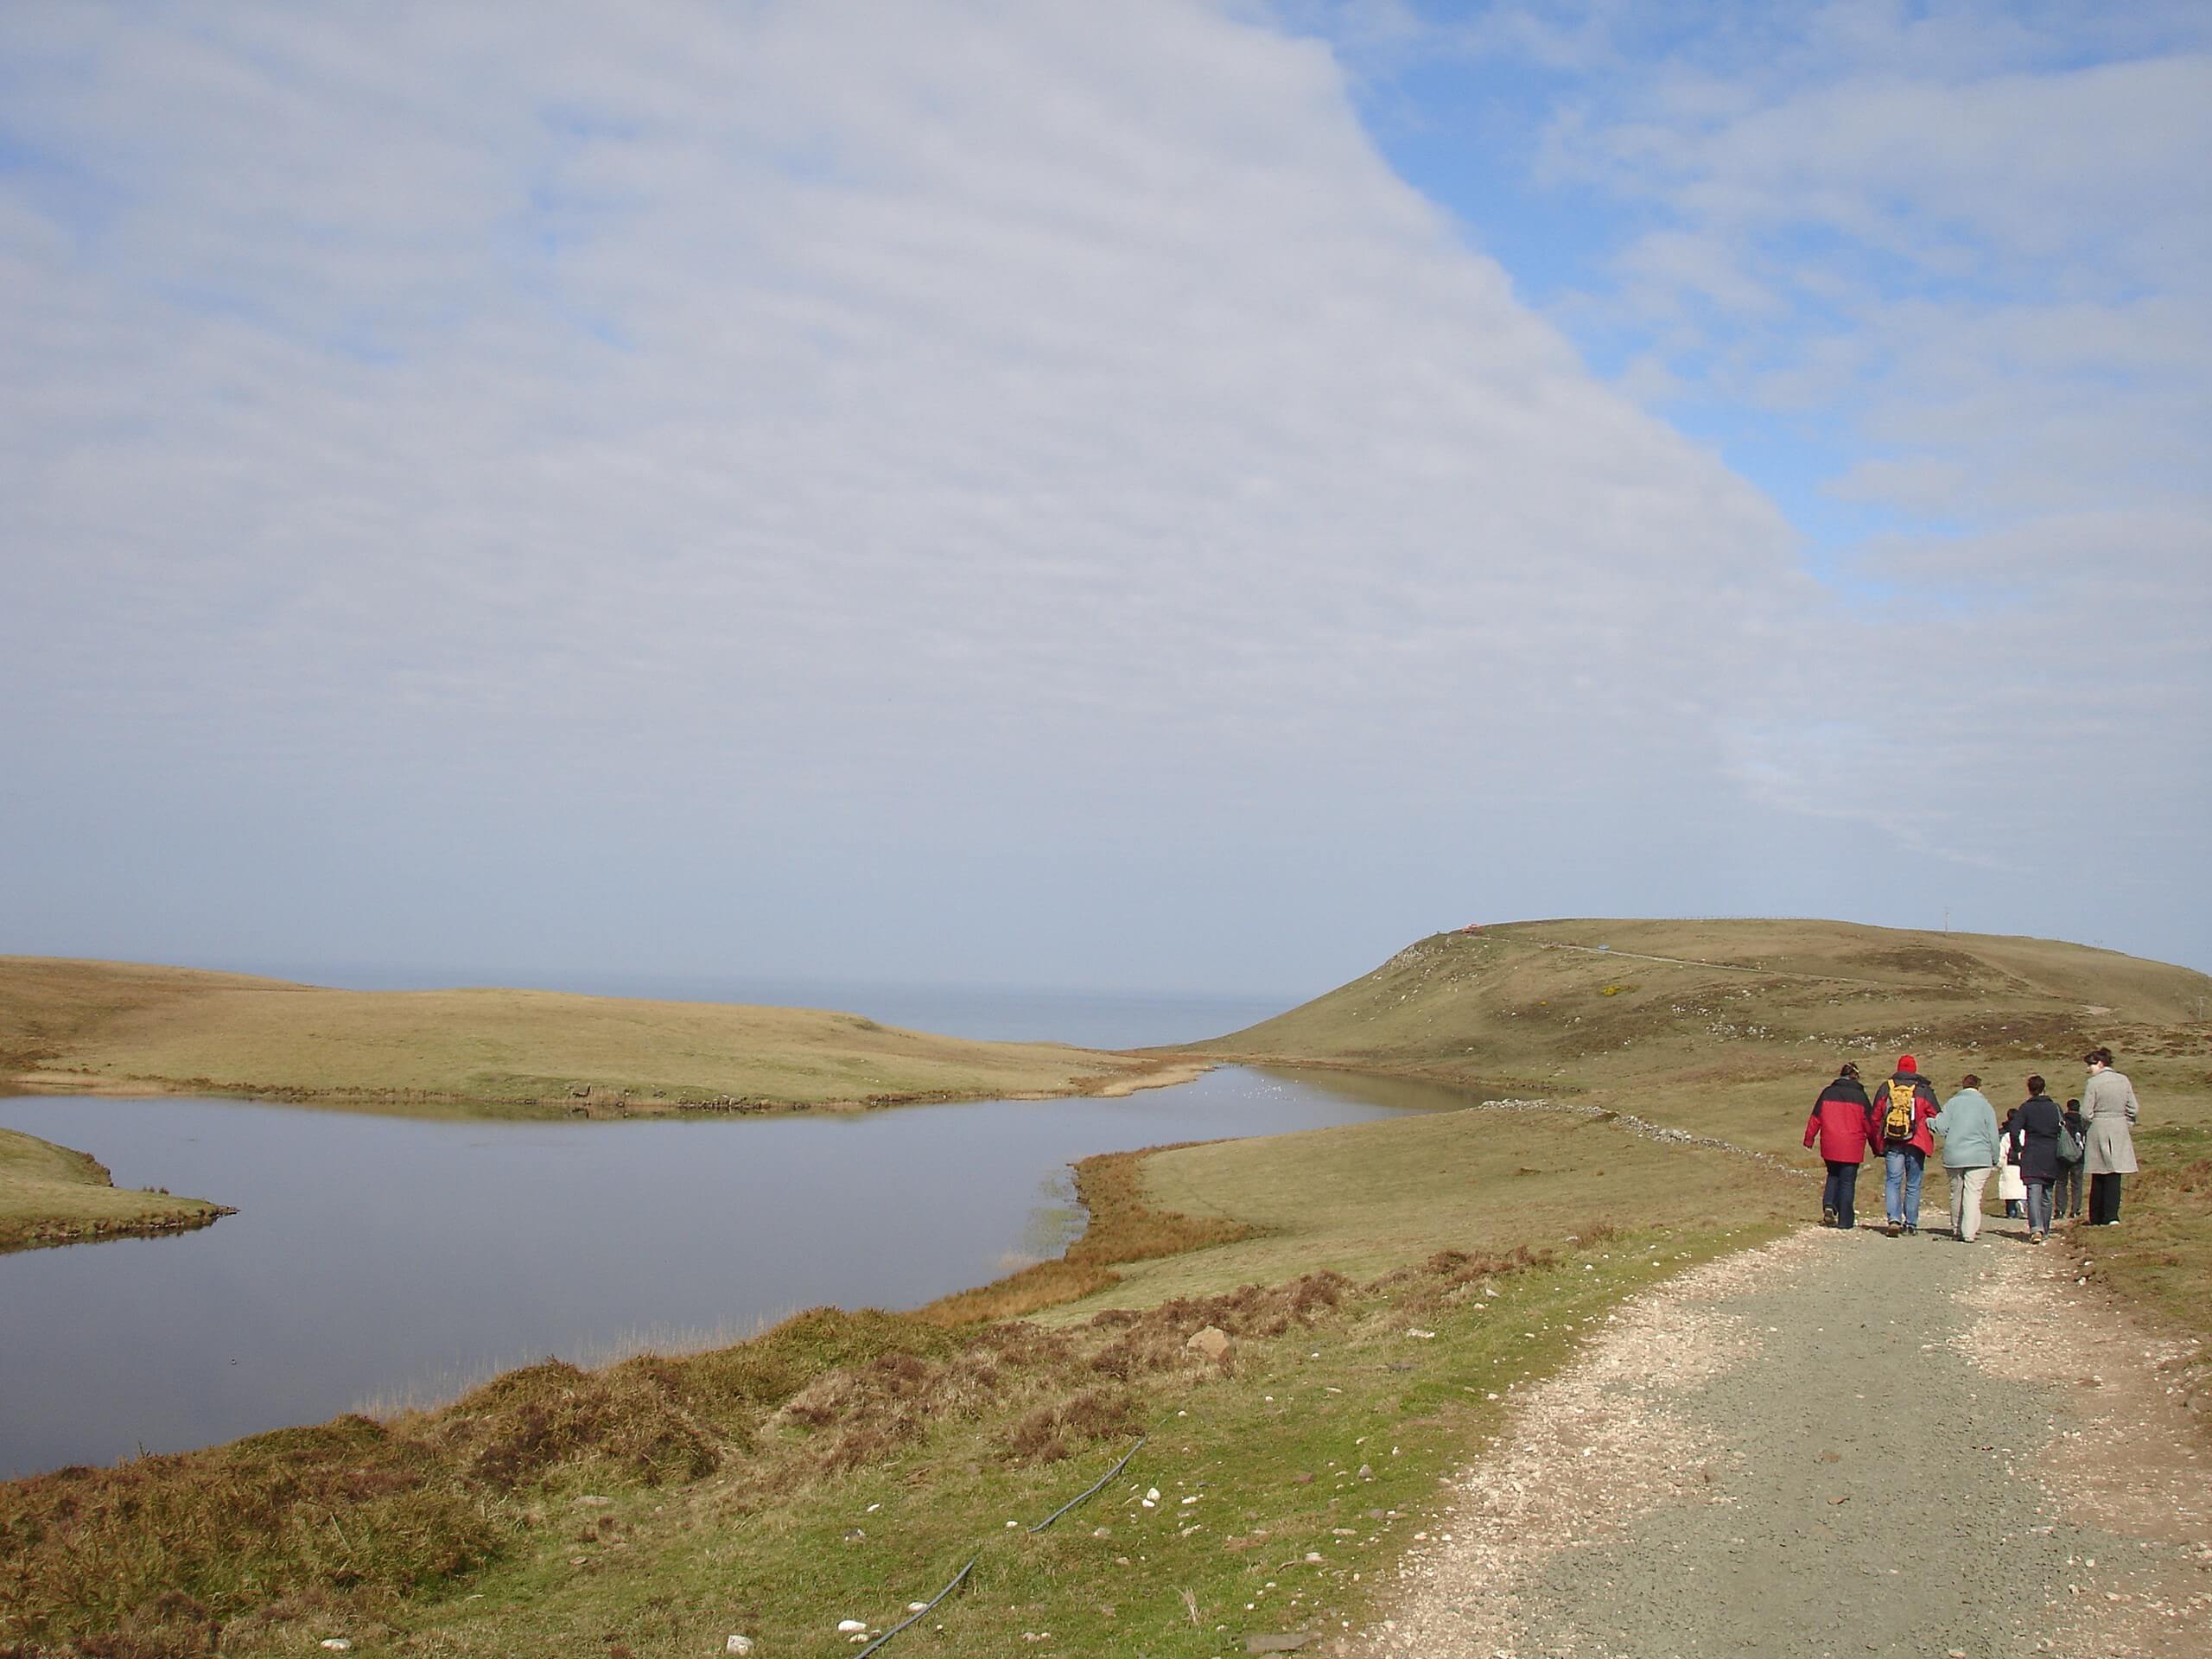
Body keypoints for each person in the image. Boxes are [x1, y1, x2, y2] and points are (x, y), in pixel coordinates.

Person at [1869, 1054, 1938, 1236]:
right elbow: (1936, 1115)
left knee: (1893, 1181)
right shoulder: (1923, 1089)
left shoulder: (1886, 1088)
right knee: (1913, 1183)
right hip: (1916, 1141)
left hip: (1892, 1140)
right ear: (1914, 1069)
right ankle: (1911, 1223)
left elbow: (1875, 1117)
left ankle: (1894, 1219)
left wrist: (1878, 1142)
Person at [1804, 1060, 1876, 1230]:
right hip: (1852, 1146)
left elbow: (1816, 1117)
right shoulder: (1861, 1097)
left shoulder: (1827, 1092)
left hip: (1830, 1143)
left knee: (1833, 1175)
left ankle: (1829, 1205)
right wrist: (1876, 1146)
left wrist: (1809, 1138)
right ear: (1856, 1076)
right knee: (1847, 1182)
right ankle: (1845, 1221)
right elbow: (1870, 1125)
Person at [1931, 1073, 2000, 1243]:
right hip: (1979, 1155)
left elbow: (1940, 1127)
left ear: (1963, 1086)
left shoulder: (1952, 1103)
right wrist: (1995, 1157)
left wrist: (1928, 1122)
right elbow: (1993, 1134)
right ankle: (1969, 1232)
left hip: (1954, 1155)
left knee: (1956, 1192)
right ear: (1979, 1087)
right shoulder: (1985, 1106)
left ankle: (1956, 1227)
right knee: (1973, 1193)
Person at [2080, 1046, 2140, 1226]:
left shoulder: (2093, 1083)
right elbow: (2133, 1108)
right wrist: (2126, 1123)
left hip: (2098, 1127)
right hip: (2119, 1128)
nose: (2089, 1069)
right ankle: (2112, 1216)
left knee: (2098, 1174)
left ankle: (2096, 1216)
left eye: (2090, 1064)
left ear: (2099, 1063)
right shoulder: (2123, 1080)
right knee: (2115, 1174)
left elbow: (2086, 1113)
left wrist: (2088, 1127)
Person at [2012, 1076, 2066, 1243]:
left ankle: (2036, 1229)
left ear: (2029, 1089)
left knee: (2033, 1192)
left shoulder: (2026, 1108)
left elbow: (2014, 1130)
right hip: (2051, 1152)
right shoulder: (2055, 1108)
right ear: (2044, 1088)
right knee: (2047, 1193)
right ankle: (2046, 1227)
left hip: (2032, 1152)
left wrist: (2018, 1148)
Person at [2055, 1098, 2088, 1221]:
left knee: (2061, 1182)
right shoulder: (2083, 1122)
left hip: (2063, 1156)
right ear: (2079, 1108)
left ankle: (2060, 1210)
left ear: (2068, 1107)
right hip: (2079, 1156)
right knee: (2077, 1184)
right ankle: (2075, 1210)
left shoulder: (2063, 1121)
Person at [1997, 1106, 2028, 1219]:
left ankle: (2011, 1212)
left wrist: (1999, 1165)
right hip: (2022, 1165)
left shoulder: (2006, 1136)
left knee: (2009, 1192)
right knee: (2023, 1190)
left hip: (2009, 1167)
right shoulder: (2026, 1134)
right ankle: (2022, 1206)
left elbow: (2002, 1153)